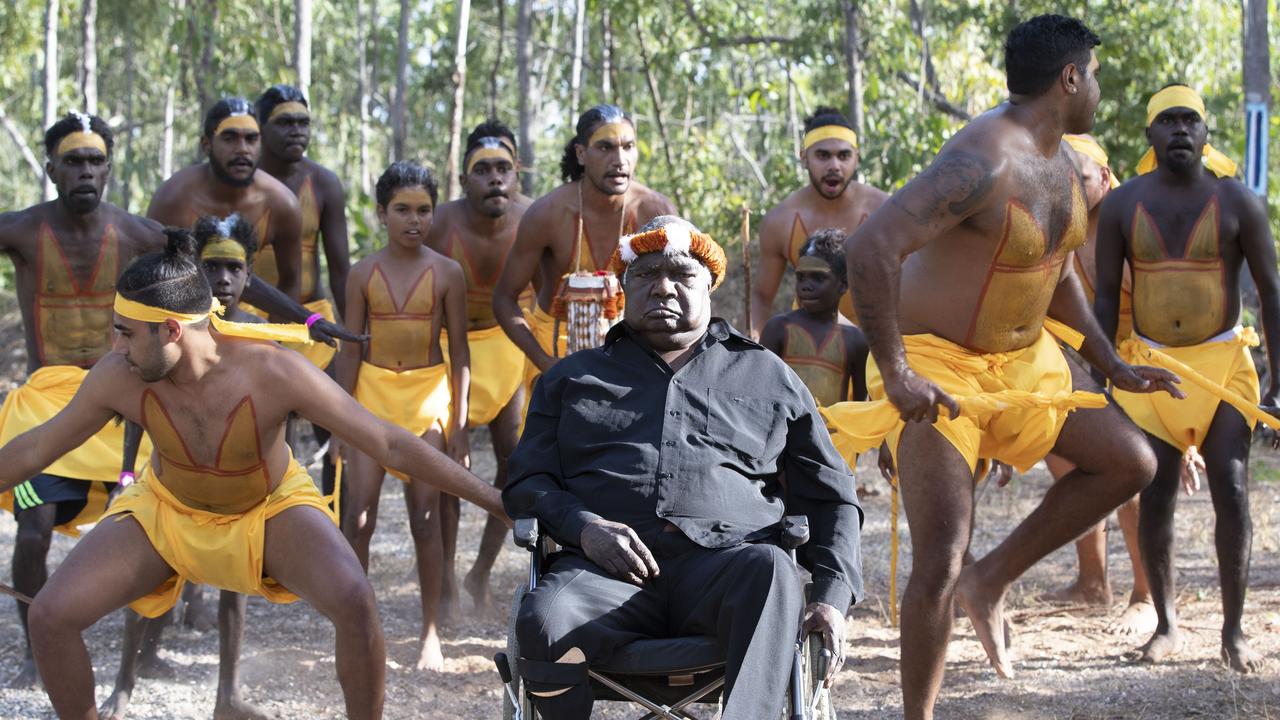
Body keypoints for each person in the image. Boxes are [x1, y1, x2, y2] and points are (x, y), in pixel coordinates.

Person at [829, 15, 1181, 720]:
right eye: (1096, 73)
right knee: (938, 559)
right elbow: (871, 248)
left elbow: (1053, 270)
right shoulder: (982, 160)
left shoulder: (1062, 158)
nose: (1099, 87)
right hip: (938, 368)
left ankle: (990, 582)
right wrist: (896, 373)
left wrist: (1106, 360)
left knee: (1130, 462)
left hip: (1023, 365)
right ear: (1070, 77)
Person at [1, 229, 506, 720]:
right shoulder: (119, 375)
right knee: (49, 617)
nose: (115, 347)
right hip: (164, 512)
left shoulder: (272, 371)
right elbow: (38, 447)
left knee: (355, 601)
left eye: (126, 333)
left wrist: (497, 500)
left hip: (267, 511)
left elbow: (388, 441)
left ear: (172, 330)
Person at [505, 215, 863, 720]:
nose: (663, 287)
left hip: (727, 573)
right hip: (605, 578)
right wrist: (585, 530)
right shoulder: (572, 380)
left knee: (772, 572)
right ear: (624, 288)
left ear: (709, 285)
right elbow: (526, 482)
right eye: (646, 274)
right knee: (542, 618)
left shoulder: (767, 375)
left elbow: (832, 496)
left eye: (682, 274)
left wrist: (830, 595)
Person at [1094, 84, 1279, 674]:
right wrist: (1099, 371)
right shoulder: (1123, 205)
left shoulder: (1238, 202)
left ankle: (1233, 631)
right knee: (1157, 488)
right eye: (1167, 121)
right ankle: (1168, 624)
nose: (1179, 130)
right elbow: (1102, 300)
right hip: (1152, 367)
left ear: (1205, 134)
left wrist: (1279, 380)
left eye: (1189, 121)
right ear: (1150, 137)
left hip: (1223, 364)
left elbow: (1272, 294)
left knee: (1230, 485)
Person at [0, 112, 165, 688]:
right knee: (33, 532)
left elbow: (216, 269)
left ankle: (141, 657)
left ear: (110, 168)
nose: (86, 171)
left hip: (119, 401)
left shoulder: (140, 235)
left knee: (165, 526)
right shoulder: (21, 230)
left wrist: (308, 320)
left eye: (96, 160)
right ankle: (33, 649)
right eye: (74, 161)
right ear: (51, 170)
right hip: (44, 406)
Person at [99, 214, 274, 720]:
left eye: (232, 268)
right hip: (171, 478)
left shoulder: (261, 337)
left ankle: (228, 694)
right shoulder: (166, 333)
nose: (222, 278)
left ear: (248, 275)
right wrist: (127, 475)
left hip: (240, 485)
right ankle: (125, 682)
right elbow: (138, 409)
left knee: (236, 586)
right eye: (212, 266)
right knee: (148, 578)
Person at [335, 161, 470, 672]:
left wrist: (457, 425)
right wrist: (340, 419)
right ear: (381, 213)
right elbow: (349, 351)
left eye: (423, 210)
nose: (414, 220)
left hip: (426, 399)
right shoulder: (363, 273)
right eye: (402, 210)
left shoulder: (446, 272)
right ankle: (359, 629)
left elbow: (459, 352)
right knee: (360, 517)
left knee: (424, 517)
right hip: (370, 399)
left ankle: (429, 633)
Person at [1036, 134, 1154, 637]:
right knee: (1069, 463)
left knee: (1128, 472)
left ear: (1105, 178)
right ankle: (1092, 582)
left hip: (1144, 367)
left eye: (1079, 178)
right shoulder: (1056, 229)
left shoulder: (1137, 226)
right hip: (1085, 368)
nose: (1068, 188)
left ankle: (1146, 595)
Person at [424, 119, 533, 616]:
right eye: (483, 170)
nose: (495, 179)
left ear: (517, 174)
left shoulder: (535, 218)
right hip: (450, 348)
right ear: (465, 179)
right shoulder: (439, 222)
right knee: (447, 464)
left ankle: (479, 573)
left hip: (509, 344)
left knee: (516, 465)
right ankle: (442, 581)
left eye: (504, 169)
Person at [493, 104, 675, 393]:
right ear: (581, 154)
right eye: (605, 148)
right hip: (555, 348)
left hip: (632, 350)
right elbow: (504, 300)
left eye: (628, 147)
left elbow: (679, 292)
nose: (620, 160)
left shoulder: (656, 212)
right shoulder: (548, 214)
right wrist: (546, 363)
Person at [147, 96, 303, 303]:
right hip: (187, 319)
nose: (242, 149)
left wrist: (273, 334)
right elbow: (153, 279)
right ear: (206, 144)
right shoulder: (173, 199)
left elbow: (290, 281)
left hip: (254, 323)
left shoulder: (282, 203)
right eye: (229, 138)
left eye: (251, 139)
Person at [750, 107, 887, 337]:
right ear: (804, 158)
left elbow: (911, 288)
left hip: (875, 343)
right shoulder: (780, 221)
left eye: (844, 156)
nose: (834, 165)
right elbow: (762, 298)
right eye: (823, 155)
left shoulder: (884, 211)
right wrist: (752, 344)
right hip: (808, 342)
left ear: (857, 158)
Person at [255, 84, 351, 370]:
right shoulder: (241, 184)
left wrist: (355, 337)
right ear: (261, 128)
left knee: (329, 405)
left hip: (311, 317)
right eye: (285, 123)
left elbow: (341, 272)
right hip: (251, 317)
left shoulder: (324, 183)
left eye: (303, 123)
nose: (297, 130)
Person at [758, 228, 869, 474]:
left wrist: (854, 451)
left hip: (832, 449)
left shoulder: (856, 340)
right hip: (780, 446)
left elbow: (860, 404)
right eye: (801, 277)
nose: (806, 286)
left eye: (818, 278)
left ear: (843, 285)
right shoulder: (779, 328)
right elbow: (761, 392)